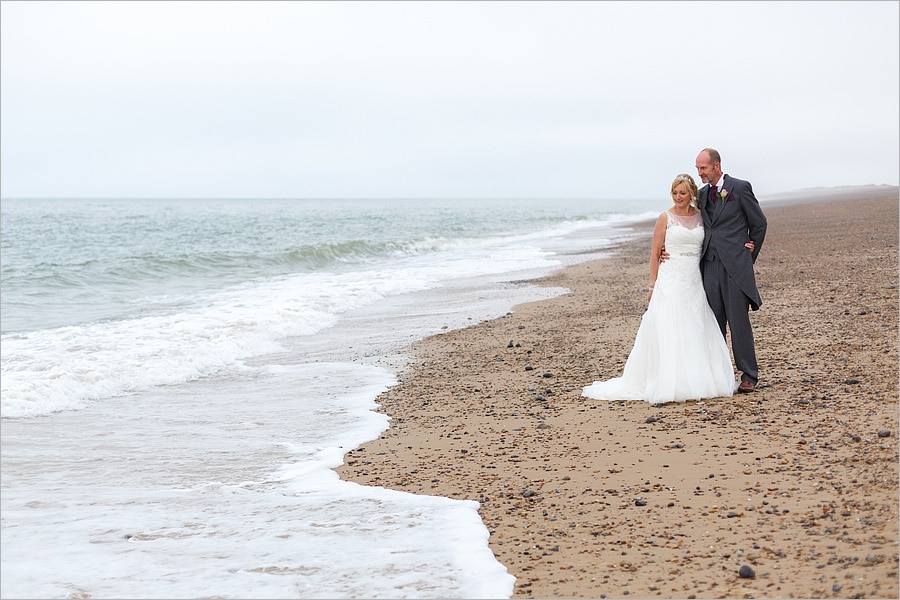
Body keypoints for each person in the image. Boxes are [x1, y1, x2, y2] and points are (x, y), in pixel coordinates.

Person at [582, 174, 740, 404]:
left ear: (691, 194)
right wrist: (652, 285)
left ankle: (697, 376)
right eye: (675, 193)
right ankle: (668, 379)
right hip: (670, 277)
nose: (678, 197)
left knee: (696, 325)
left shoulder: (701, 217)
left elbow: (716, 238)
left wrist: (744, 243)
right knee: (670, 326)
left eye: (682, 193)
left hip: (694, 278)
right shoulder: (664, 217)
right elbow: (655, 254)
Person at [694, 148, 767, 393]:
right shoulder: (702, 195)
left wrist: (748, 255)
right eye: (697, 168)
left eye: (703, 168)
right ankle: (719, 374)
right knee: (714, 324)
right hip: (710, 266)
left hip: (735, 266)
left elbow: (759, 223)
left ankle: (749, 375)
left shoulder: (740, 187)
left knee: (738, 322)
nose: (700, 173)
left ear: (716, 166)